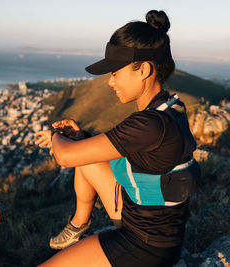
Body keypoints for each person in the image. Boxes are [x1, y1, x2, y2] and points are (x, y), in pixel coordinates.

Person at [34, 10, 200, 267]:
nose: (110, 82)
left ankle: (81, 228)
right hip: (151, 225)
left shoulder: (149, 124)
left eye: (115, 72)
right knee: (86, 154)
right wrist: (79, 138)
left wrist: (56, 136)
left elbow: (65, 157)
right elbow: (112, 149)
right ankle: (78, 224)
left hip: (144, 245)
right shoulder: (169, 108)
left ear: (143, 69)